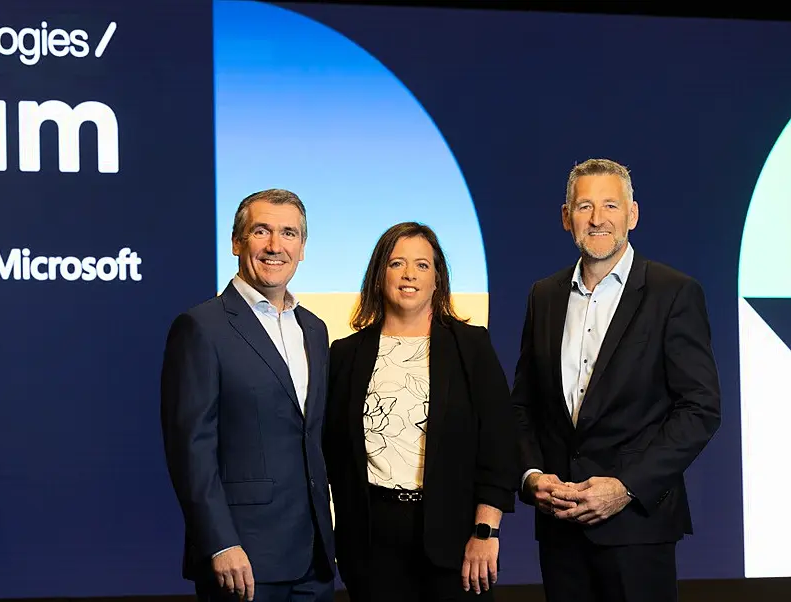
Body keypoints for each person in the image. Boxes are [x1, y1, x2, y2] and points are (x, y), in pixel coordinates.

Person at [510, 158, 721, 602]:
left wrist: (625, 487)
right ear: (567, 218)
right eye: (584, 206)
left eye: (610, 204)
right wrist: (531, 476)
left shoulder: (674, 292)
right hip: (560, 529)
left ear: (633, 214)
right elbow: (523, 406)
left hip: (637, 530)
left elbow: (700, 409)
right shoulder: (544, 295)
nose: (598, 218)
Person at [323, 222, 519, 601]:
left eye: (422, 265)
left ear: (437, 279)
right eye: (397, 263)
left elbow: (500, 446)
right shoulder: (345, 354)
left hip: (456, 540)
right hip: (370, 543)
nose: (409, 274)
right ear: (379, 274)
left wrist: (486, 532)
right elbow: (332, 452)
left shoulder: (470, 346)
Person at [160, 189, 335, 602]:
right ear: (237, 242)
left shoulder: (315, 329)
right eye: (262, 231)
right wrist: (220, 543)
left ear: (303, 248)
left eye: (289, 233)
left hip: (314, 558)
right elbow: (191, 449)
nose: (276, 246)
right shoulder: (201, 327)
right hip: (243, 560)